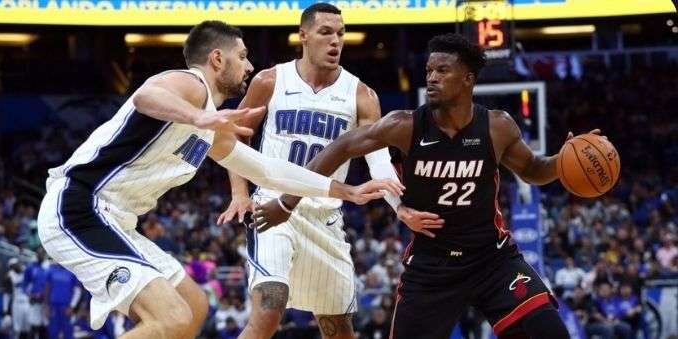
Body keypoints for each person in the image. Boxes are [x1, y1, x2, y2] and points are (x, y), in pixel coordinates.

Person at [36, 20, 402, 339]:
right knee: (172, 316)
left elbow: (269, 170)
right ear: (217, 59)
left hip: (115, 220)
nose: (250, 65)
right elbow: (146, 95)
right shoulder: (191, 84)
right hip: (79, 207)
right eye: (242, 56)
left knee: (193, 307)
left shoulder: (213, 122)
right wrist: (199, 119)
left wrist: (346, 190)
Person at [252, 33, 607, 338]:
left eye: (442, 71)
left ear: (468, 79)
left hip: (492, 259)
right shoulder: (405, 125)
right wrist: (286, 203)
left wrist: (563, 162)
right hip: (432, 266)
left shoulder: (497, 127)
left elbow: (533, 169)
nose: (432, 78)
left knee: (549, 331)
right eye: (429, 71)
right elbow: (339, 147)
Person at [217, 4, 414, 339]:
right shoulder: (271, 80)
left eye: (340, 33)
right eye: (325, 32)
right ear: (303, 36)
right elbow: (234, 135)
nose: (335, 40)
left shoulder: (361, 95)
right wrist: (239, 193)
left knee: (338, 327)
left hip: (325, 217)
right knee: (270, 306)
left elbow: (378, 161)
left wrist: (402, 209)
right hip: (274, 209)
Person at [44, 263, 81, 339]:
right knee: (53, 334)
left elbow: (77, 291)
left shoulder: (72, 271)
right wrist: (46, 306)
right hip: (53, 307)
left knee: (68, 334)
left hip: (66, 308)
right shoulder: (51, 270)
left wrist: (72, 306)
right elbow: (47, 288)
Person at [23, 248, 49, 339]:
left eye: (43, 253)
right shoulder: (31, 267)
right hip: (35, 301)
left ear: (45, 255)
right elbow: (25, 284)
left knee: (45, 326)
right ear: (36, 254)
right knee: (34, 325)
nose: (41, 255)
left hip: (46, 302)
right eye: (39, 253)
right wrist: (30, 294)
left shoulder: (48, 267)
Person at [2, 258, 30, 339]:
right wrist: (5, 310)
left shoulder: (26, 271)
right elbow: (6, 295)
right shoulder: (9, 276)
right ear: (11, 267)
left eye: (17, 264)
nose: (17, 266)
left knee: (27, 328)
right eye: (13, 266)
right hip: (17, 303)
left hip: (27, 302)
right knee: (16, 329)